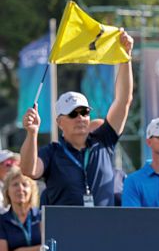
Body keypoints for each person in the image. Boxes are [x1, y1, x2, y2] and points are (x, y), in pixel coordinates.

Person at [20, 30, 134, 206]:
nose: (80, 117)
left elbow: (123, 100)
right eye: (73, 114)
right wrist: (32, 133)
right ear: (59, 122)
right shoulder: (52, 152)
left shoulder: (103, 140)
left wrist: (125, 58)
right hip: (67, 232)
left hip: (104, 231)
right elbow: (29, 169)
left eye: (84, 112)